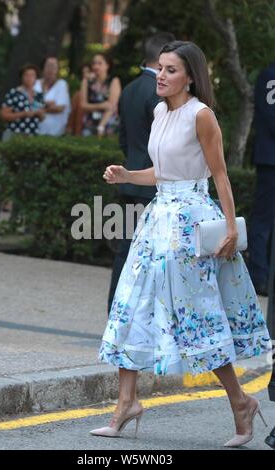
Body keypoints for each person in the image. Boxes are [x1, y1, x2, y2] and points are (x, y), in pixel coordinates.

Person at [90, 40, 272, 447]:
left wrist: (230, 228)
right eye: (160, 68)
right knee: (130, 305)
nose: (161, 75)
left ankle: (240, 401)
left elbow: (220, 174)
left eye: (171, 70)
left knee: (196, 317)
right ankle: (125, 404)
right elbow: (162, 173)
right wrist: (127, 176)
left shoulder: (201, 115)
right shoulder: (159, 111)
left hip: (191, 223)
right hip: (158, 219)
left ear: (190, 76)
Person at [107, 32, 175, 314]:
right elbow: (164, 141)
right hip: (152, 183)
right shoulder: (158, 94)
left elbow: (123, 138)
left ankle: (115, 309)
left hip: (130, 178)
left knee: (125, 250)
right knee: (152, 253)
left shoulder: (130, 89)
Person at [247, 63, 275, 296]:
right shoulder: (270, 75)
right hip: (271, 160)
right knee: (264, 220)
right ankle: (259, 276)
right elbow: (270, 116)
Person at [80, 52, 121, 137]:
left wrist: (101, 126)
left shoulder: (114, 81)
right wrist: (102, 105)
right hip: (89, 123)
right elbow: (83, 105)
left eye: (99, 63)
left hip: (109, 123)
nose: (96, 66)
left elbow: (111, 106)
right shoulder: (86, 81)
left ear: (107, 65)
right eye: (94, 63)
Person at [1, 64, 45, 140]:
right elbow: (4, 116)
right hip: (14, 134)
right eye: (26, 75)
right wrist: (23, 114)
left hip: (32, 135)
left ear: (36, 78)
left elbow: (42, 118)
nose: (29, 78)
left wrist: (40, 114)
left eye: (32, 75)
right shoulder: (14, 93)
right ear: (21, 77)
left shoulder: (39, 96)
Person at [34, 56, 71, 136]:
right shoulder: (35, 83)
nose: (50, 69)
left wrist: (42, 109)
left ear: (58, 70)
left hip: (55, 132)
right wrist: (49, 104)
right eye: (48, 66)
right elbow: (31, 104)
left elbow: (59, 108)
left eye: (54, 66)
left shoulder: (62, 84)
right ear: (43, 68)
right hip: (34, 130)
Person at [66, 64, 95, 136]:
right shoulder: (78, 95)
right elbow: (72, 113)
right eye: (83, 73)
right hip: (82, 130)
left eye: (88, 72)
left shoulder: (101, 90)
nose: (86, 75)